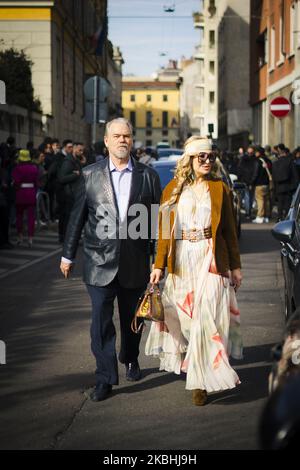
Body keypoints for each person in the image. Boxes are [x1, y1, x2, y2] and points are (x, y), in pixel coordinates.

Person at [60, 118, 162, 402]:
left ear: (132, 140)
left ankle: (130, 357)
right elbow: (76, 219)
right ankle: (104, 378)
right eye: (116, 136)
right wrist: (68, 255)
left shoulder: (148, 176)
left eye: (127, 136)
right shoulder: (89, 175)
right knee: (101, 323)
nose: (122, 140)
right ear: (106, 141)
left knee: (133, 320)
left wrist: (158, 262)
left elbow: (157, 222)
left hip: (135, 263)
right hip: (98, 263)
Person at [146, 136, 243, 406]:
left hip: (212, 259)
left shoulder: (219, 188)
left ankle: (200, 382)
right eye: (202, 156)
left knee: (206, 319)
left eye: (211, 156)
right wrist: (158, 266)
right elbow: (164, 233)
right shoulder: (172, 191)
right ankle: (198, 365)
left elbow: (229, 232)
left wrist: (235, 266)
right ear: (189, 159)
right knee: (188, 322)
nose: (207, 161)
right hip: (182, 261)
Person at [12, 149, 39, 247]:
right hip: (31, 193)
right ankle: (30, 238)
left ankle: (20, 237)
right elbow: (36, 183)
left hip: (20, 193)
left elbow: (16, 182)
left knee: (19, 216)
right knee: (31, 217)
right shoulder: (34, 168)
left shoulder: (17, 168)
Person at [58, 142, 83, 241]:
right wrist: (75, 175)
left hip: (72, 194)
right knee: (67, 217)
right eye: (79, 150)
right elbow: (62, 178)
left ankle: (67, 237)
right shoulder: (68, 162)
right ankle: (64, 237)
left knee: (70, 217)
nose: (81, 152)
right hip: (67, 194)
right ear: (74, 148)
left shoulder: (75, 161)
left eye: (82, 150)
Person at [272, 146, 298, 221]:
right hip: (288, 186)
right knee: (287, 204)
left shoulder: (275, 163)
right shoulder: (290, 162)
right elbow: (294, 175)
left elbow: (273, 176)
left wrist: (275, 187)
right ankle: (286, 218)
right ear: (285, 153)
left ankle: (279, 218)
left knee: (280, 204)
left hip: (278, 186)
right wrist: (294, 186)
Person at [251, 146, 272, 224]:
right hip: (267, 183)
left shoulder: (257, 161)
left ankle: (260, 216)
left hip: (259, 184)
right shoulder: (268, 161)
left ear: (259, 152)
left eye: (256, 152)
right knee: (266, 200)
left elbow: (255, 173)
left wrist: (252, 182)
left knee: (260, 200)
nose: (255, 153)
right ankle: (266, 216)